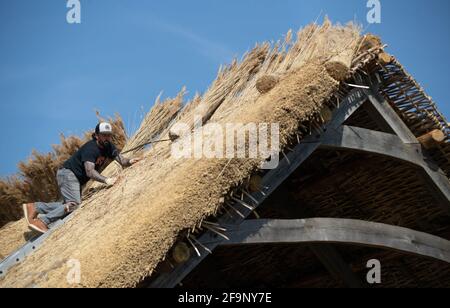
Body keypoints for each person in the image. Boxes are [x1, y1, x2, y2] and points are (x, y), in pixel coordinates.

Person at [22, 122, 141, 234]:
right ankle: (43, 221)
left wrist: (130, 161)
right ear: (96, 136)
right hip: (68, 174)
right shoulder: (91, 148)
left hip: (75, 178)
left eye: (109, 135)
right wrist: (106, 180)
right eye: (104, 135)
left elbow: (122, 160)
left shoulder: (109, 147)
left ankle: (35, 207)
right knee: (74, 204)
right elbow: (89, 172)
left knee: (67, 205)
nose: (107, 138)